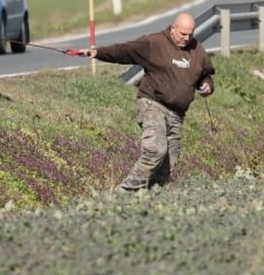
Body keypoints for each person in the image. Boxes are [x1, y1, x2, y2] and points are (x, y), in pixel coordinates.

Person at [83, 12, 215, 191]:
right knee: (156, 150)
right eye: (183, 34)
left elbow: (205, 75)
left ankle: (151, 198)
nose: (187, 38)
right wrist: (97, 52)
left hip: (177, 114)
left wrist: (207, 86)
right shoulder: (154, 43)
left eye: (190, 34)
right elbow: (124, 50)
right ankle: (124, 193)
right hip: (153, 105)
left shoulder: (197, 50)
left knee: (169, 162)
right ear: (173, 28)